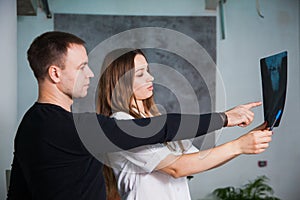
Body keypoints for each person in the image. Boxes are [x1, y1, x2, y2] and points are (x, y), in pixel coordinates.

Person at [7, 31, 262, 200]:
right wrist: (226, 120)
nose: (91, 74)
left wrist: (241, 142)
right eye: (82, 67)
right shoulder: (77, 128)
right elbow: (162, 131)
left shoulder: (29, 126)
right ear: (55, 73)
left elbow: (18, 192)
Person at [97, 49, 272, 200]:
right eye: (141, 74)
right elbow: (177, 167)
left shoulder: (156, 118)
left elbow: (200, 160)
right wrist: (239, 145)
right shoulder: (121, 122)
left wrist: (247, 139)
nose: (151, 77)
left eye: (148, 71)